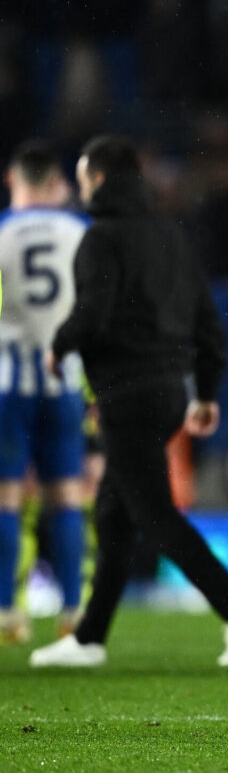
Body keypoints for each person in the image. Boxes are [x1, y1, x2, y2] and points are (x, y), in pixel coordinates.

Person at [28, 135, 228, 668]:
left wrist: (60, 345)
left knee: (156, 515)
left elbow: (93, 311)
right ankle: (89, 638)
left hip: (126, 392)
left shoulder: (101, 239)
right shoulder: (170, 237)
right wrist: (206, 391)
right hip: (170, 391)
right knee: (115, 515)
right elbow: (208, 319)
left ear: (95, 178)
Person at [0, 141, 88, 645]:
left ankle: (10, 612)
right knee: (67, 497)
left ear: (13, 181)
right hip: (65, 379)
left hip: (10, 380)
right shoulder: (79, 232)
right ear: (54, 182)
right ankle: (73, 612)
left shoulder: (3, 232)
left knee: (8, 499)